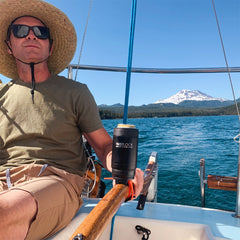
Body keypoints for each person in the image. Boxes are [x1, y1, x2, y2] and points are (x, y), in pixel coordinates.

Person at [0, 0, 144, 239]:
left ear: (51, 47)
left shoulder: (76, 92)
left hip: (56, 180)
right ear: (8, 46)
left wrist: (121, 166)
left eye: (41, 33)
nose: (32, 36)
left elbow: (103, 145)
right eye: (21, 31)